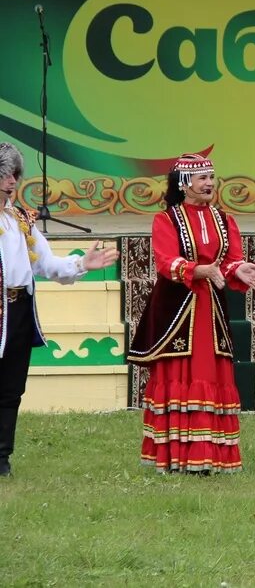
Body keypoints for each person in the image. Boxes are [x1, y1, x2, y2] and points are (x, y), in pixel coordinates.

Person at [128, 153, 255, 474]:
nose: (209, 184)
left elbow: (230, 258)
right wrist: (199, 269)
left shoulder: (223, 219)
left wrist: (239, 268)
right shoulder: (167, 220)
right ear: (184, 184)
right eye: (202, 178)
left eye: (211, 177)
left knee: (210, 372)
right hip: (178, 309)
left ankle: (210, 456)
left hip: (211, 308)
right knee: (180, 374)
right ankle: (177, 455)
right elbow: (166, 262)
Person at [0, 142, 118, 478]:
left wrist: (83, 263)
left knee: (11, 389)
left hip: (19, 309)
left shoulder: (22, 220)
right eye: (4, 174)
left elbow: (48, 265)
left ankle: (1, 459)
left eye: (16, 174)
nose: (11, 181)